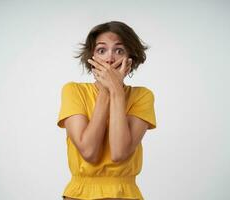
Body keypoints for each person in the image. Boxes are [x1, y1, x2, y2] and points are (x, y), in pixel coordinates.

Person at [57, 21, 157, 200]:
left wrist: (117, 91)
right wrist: (105, 91)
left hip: (125, 195)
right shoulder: (73, 91)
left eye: (119, 50)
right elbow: (89, 152)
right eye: (101, 50)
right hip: (79, 195)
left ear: (130, 57)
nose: (110, 59)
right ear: (91, 57)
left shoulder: (142, 96)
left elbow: (119, 153)